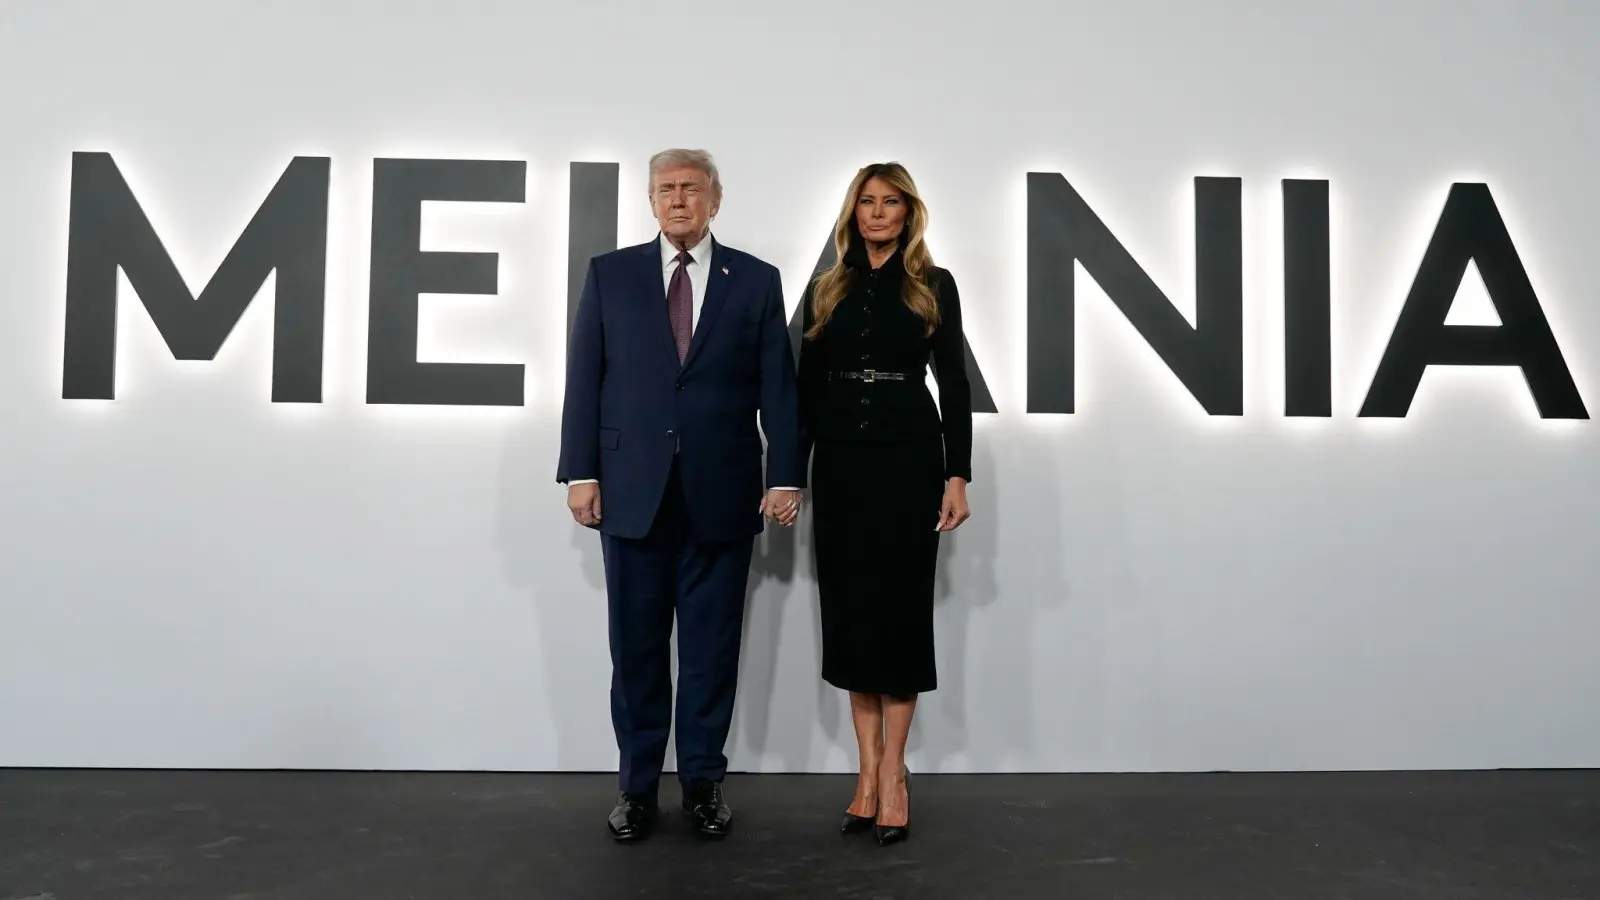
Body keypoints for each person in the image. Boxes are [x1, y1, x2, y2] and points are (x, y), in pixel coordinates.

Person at [556, 148, 804, 842]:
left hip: (722, 493)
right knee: (635, 652)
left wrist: (784, 474)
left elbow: (777, 386)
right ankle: (636, 789)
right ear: (650, 200)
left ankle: (702, 784)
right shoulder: (611, 275)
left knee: (710, 651)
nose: (677, 200)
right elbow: (586, 377)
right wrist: (580, 471)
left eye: (690, 189)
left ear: (714, 199)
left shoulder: (755, 281)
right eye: (665, 189)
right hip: (631, 493)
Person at [796, 162, 973, 846]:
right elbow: (805, 389)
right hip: (840, 462)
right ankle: (864, 774)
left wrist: (957, 474)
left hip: (909, 461)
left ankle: (895, 773)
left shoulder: (934, 285)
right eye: (866, 202)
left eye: (889, 202)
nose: (877, 213)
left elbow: (954, 384)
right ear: (853, 213)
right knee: (849, 614)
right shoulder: (826, 289)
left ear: (908, 213)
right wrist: (790, 472)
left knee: (898, 615)